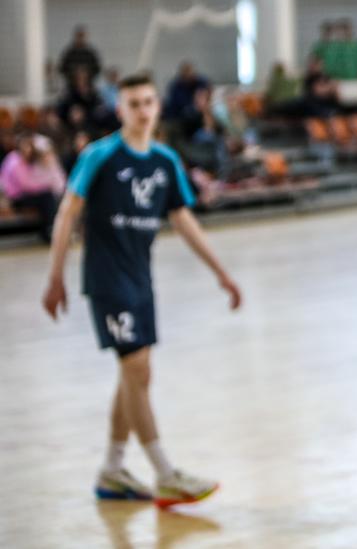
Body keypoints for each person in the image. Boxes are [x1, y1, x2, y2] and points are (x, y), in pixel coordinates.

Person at [40, 72, 242, 508]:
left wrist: (221, 273)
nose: (143, 111)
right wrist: (55, 277)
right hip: (107, 280)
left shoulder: (165, 161)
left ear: (158, 106)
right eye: (134, 104)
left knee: (134, 374)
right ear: (120, 109)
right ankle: (165, 473)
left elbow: (183, 219)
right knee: (135, 370)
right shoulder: (100, 155)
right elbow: (67, 213)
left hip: (141, 279)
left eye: (149, 102)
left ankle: (112, 471)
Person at [0, 133, 66, 242]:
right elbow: (26, 185)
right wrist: (46, 186)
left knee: (47, 197)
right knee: (46, 197)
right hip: (15, 197)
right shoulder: (15, 161)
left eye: (30, 146)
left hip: (22, 195)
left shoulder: (22, 159)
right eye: (26, 146)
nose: (28, 150)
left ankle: (49, 229)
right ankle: (49, 231)